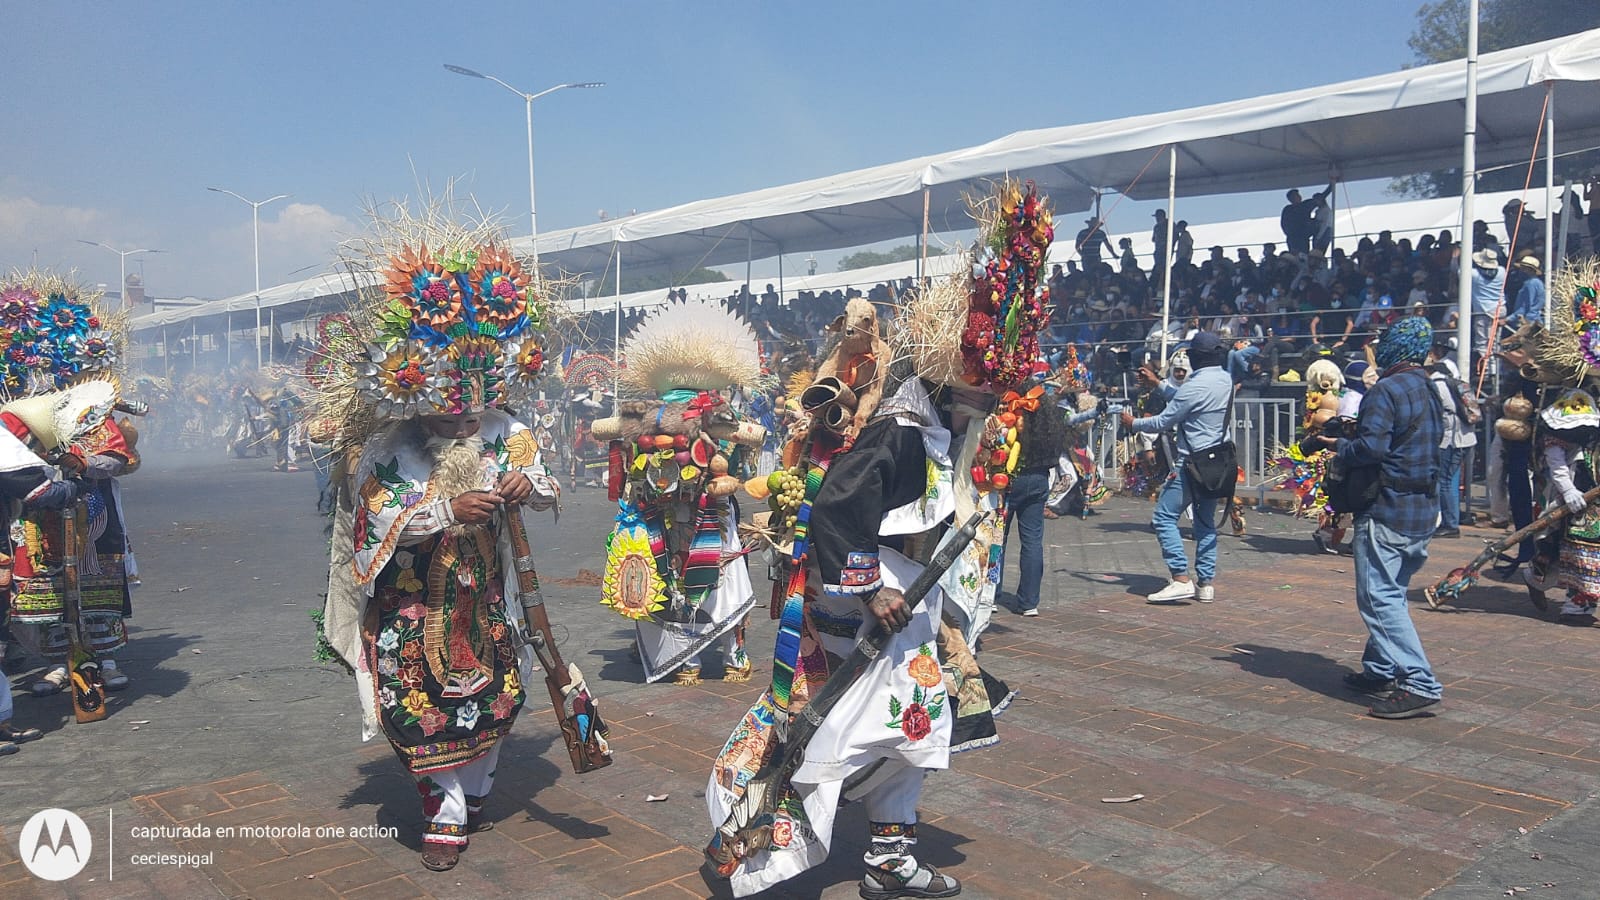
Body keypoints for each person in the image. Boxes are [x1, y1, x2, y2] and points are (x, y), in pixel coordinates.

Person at [320, 220, 565, 872]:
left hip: (485, 603)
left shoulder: (505, 429)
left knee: (497, 697)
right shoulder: (393, 448)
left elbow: (546, 485)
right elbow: (373, 524)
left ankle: (475, 786)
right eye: (450, 407)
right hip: (412, 605)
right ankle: (445, 809)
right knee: (416, 707)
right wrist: (443, 511)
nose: (463, 419)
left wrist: (525, 482)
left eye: (472, 406)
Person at [1330, 316, 1444, 719]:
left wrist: (1338, 447)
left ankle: (1420, 681)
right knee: (1393, 590)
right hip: (1423, 508)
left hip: (1388, 506)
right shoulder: (1431, 388)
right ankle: (1379, 669)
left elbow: (1371, 450)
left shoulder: (1386, 391)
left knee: (1378, 597)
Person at [1121, 331, 1233, 604]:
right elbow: (1186, 400)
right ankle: (1205, 583)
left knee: (1163, 517)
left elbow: (1163, 421)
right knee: (1205, 522)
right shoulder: (1225, 379)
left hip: (1192, 462)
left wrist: (1133, 423)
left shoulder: (1196, 386)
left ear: (1195, 357)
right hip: (1219, 460)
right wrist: (1159, 384)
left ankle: (1180, 578)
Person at [1002, 393, 1071, 616]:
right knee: (1032, 542)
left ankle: (990, 594)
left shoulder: (1010, 410)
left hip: (1010, 480)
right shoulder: (1046, 420)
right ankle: (1029, 601)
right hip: (1039, 478)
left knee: (997, 540)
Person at [1428, 342, 1478, 539]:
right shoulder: (1453, 382)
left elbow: (1445, 410)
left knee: (1445, 481)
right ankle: (1451, 520)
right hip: (1464, 438)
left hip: (1451, 440)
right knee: (1449, 481)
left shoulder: (1438, 385)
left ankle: (1450, 524)